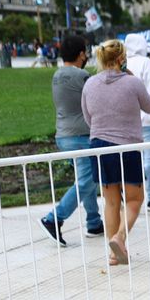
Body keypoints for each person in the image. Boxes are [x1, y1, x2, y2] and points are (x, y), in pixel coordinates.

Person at [81, 39, 150, 265]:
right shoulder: (132, 83)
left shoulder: (90, 84)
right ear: (122, 59)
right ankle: (119, 237)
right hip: (127, 147)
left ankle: (114, 255)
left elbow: (87, 117)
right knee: (135, 199)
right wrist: (131, 76)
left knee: (111, 201)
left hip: (99, 146)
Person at [38, 36, 103, 247]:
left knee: (86, 179)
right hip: (80, 136)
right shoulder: (81, 75)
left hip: (62, 135)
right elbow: (97, 94)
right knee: (88, 179)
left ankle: (94, 222)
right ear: (81, 54)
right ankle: (54, 218)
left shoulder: (56, 75)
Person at [125, 33, 150, 211]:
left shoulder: (123, 64)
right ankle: (149, 195)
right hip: (147, 119)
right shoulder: (146, 63)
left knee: (138, 159)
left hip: (129, 121)